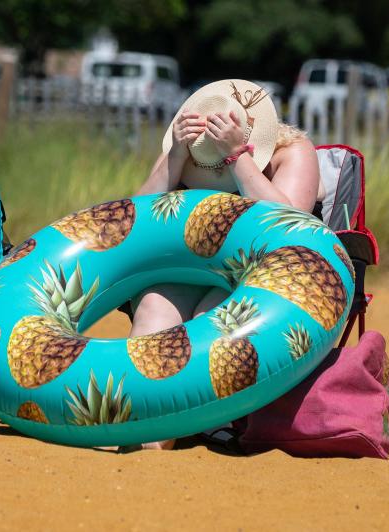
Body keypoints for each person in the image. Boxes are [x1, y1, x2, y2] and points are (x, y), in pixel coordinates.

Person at [130, 79, 322, 451]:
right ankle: (147, 428)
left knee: (211, 314)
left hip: (262, 275)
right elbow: (135, 221)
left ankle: (176, 423)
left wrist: (237, 158)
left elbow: (290, 229)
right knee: (155, 305)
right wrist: (176, 159)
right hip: (191, 268)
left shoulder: (292, 151)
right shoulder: (188, 147)